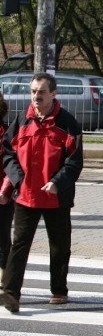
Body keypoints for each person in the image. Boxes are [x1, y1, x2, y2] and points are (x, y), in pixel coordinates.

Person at [0, 73, 84, 313]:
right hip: (26, 195)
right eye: (34, 91)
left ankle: (59, 290)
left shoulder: (67, 123)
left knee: (59, 245)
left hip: (56, 196)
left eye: (41, 92)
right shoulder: (22, 121)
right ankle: (10, 293)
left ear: (53, 94)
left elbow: (75, 161)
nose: (36, 96)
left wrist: (58, 182)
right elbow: (7, 153)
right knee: (20, 244)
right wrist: (17, 179)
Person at [0, 92, 13, 281]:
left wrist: (5, 191)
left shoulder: (6, 133)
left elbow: (12, 166)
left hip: (2, 195)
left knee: (2, 238)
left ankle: (4, 280)